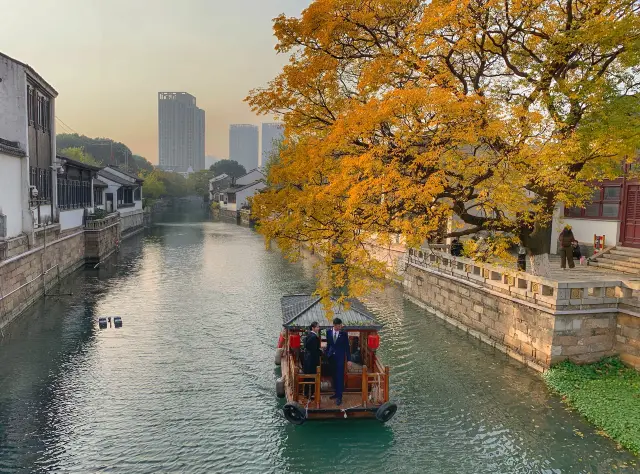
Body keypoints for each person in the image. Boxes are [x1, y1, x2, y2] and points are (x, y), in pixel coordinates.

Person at [325, 317, 352, 406]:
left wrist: (349, 360)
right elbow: (329, 344)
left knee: (339, 376)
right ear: (334, 325)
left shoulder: (344, 334)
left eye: (341, 325)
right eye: (339, 325)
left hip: (340, 358)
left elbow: (347, 347)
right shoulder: (328, 332)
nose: (340, 326)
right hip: (331, 357)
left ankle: (339, 397)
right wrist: (327, 354)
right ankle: (336, 393)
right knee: (333, 376)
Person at [303, 322, 321, 399]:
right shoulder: (314, 337)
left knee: (307, 375)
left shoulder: (309, 335)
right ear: (313, 328)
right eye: (317, 327)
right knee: (313, 376)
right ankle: (311, 394)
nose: (318, 328)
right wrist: (320, 352)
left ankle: (306, 392)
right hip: (312, 359)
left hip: (307, 358)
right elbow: (314, 350)